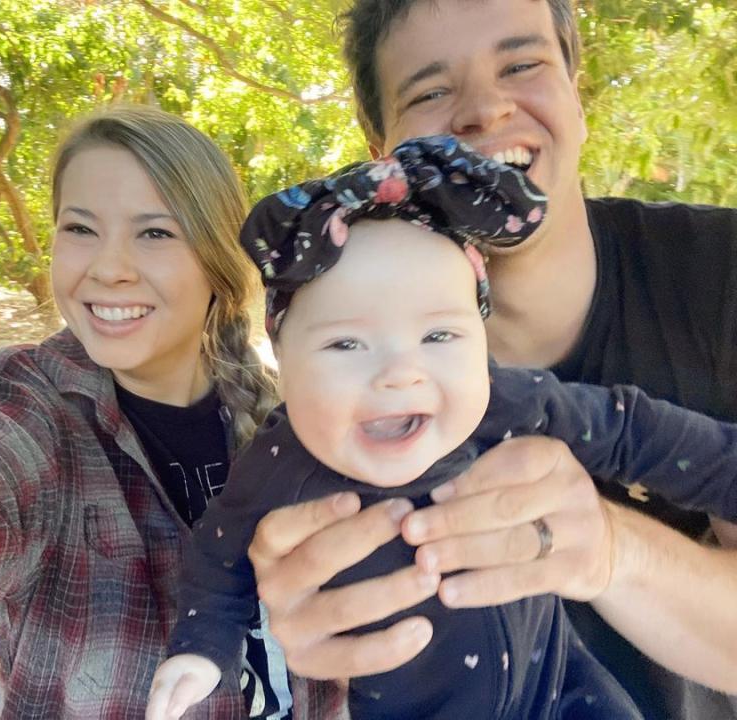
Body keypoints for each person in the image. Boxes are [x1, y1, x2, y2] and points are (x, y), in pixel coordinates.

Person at [246, 1, 737, 718]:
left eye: (522, 64)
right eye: (429, 90)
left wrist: (608, 549)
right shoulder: (344, 372)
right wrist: (306, 630)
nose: (482, 109)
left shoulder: (717, 276)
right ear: (379, 147)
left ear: (577, 90)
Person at [0, 105, 344, 719]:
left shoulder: (286, 421)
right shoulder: (27, 409)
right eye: (79, 229)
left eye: (155, 232)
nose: (107, 269)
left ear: (215, 258)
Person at [145, 137, 737, 720]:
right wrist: (201, 649)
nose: (401, 374)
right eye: (346, 343)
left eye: (438, 337)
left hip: (562, 686)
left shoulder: (505, 402)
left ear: (481, 344)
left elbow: (632, 431)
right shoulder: (280, 460)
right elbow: (219, 555)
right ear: (285, 362)